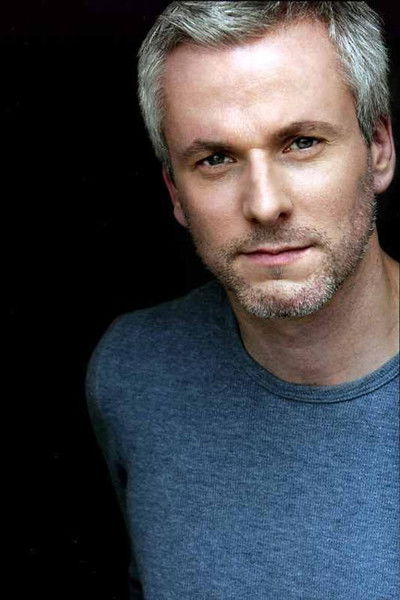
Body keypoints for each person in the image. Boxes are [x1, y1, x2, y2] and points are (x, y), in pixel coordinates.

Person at [86, 2, 399, 598]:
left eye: (301, 142)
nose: (264, 204)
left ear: (379, 147)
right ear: (175, 192)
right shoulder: (135, 371)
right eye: (216, 159)